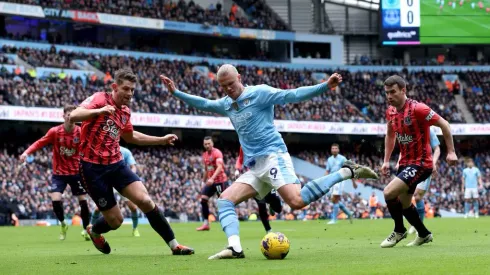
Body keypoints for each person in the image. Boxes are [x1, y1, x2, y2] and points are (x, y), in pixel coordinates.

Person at [160, 65, 378, 260]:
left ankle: (346, 171)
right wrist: (176, 92)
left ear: (239, 77)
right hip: (254, 166)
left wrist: (325, 86)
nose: (228, 89)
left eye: (231, 84)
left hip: (274, 155)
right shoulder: (227, 104)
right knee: (224, 201)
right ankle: (235, 248)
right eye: (223, 86)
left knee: (297, 201)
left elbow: (292, 95)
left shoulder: (260, 93)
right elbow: (204, 103)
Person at [69, 68, 194, 255]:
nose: (129, 93)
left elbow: (131, 136)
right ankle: (94, 231)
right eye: (126, 89)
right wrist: (99, 111)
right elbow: (74, 116)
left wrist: (160, 140)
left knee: (145, 200)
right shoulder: (99, 99)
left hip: (116, 164)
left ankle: (174, 245)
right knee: (115, 221)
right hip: (92, 169)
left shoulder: (125, 112)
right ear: (115, 87)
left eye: (132, 90)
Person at [380, 75, 458, 248]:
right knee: (406, 203)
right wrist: (386, 160)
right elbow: (390, 135)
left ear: (403, 90)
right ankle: (423, 234)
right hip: (405, 163)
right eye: (386, 93)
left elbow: (444, 124)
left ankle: (399, 230)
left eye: (393, 92)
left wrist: (451, 151)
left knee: (388, 193)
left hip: (421, 162)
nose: (389, 96)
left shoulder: (418, 109)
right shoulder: (391, 111)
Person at [20, 105, 91, 241]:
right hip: (59, 173)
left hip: (77, 172)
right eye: (68, 114)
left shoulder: (81, 132)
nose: (71, 117)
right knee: (56, 199)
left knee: (83, 201)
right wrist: (26, 152)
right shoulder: (55, 131)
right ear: (63, 116)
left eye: (74, 114)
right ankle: (63, 224)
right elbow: (40, 143)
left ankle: (86, 229)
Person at [396, 126, 440, 234]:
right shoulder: (409, 130)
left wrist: (434, 162)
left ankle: (418, 225)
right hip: (409, 165)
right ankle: (415, 224)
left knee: (417, 195)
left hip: (425, 165)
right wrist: (398, 162)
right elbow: (403, 149)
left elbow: (437, 149)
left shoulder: (428, 130)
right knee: (406, 196)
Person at [91, 146, 141, 237]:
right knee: (98, 208)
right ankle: (90, 227)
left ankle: (135, 229)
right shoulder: (103, 149)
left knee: (133, 207)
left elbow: (133, 166)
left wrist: (129, 175)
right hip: (108, 182)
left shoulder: (125, 151)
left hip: (121, 182)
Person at [235, 146, 283, 233]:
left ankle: (272, 206)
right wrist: (237, 169)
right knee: (261, 204)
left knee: (278, 208)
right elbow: (240, 159)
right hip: (255, 177)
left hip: (267, 175)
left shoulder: (262, 141)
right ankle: (268, 230)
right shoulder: (244, 145)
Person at [196, 136, 229, 231]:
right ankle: (206, 224)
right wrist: (203, 181)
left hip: (220, 181)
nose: (207, 145)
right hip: (211, 182)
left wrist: (212, 178)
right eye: (205, 144)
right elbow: (206, 169)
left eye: (209, 143)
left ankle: (227, 223)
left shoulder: (217, 153)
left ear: (212, 144)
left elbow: (220, 167)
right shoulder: (205, 155)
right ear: (203, 145)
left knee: (223, 202)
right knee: (203, 200)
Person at [325, 143, 356, 224]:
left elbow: (349, 169)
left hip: (339, 181)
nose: (334, 150)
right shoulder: (329, 159)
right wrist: (324, 181)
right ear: (331, 150)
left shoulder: (342, 159)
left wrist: (353, 182)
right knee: (333, 200)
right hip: (331, 180)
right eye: (333, 148)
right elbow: (327, 171)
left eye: (336, 148)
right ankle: (349, 213)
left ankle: (334, 220)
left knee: (335, 199)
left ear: (338, 150)